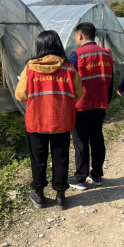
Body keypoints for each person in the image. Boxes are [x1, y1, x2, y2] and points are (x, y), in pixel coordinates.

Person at [15, 30, 83, 210]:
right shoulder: (69, 68)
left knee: (38, 158)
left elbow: (20, 95)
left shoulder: (30, 69)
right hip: (61, 121)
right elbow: (79, 93)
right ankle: (60, 195)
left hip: (37, 121)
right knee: (60, 157)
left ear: (39, 46)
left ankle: (38, 194)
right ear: (58, 45)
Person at [66, 22, 114, 190]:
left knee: (80, 142)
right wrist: (106, 101)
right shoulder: (107, 54)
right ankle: (97, 174)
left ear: (80, 35)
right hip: (100, 105)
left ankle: (80, 179)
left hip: (80, 106)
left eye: (75, 36)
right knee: (97, 139)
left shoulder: (76, 55)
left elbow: (68, 82)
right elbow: (110, 80)